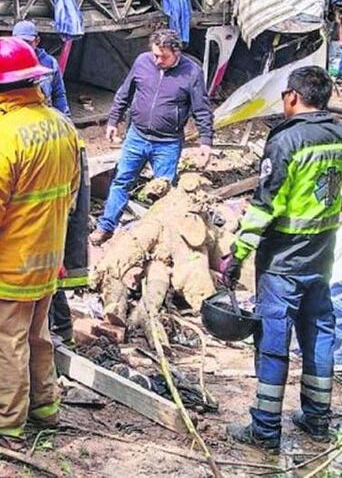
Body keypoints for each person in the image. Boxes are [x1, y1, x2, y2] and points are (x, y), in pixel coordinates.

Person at [0, 36, 81, 451]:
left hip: (7, 266)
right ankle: (45, 408)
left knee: (4, 344)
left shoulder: (3, 136)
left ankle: (5, 423)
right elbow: (72, 194)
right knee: (39, 338)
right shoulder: (61, 125)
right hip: (46, 261)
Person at [223, 66, 342, 450]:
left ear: (292, 97)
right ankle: (317, 418)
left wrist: (238, 254)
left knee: (273, 341)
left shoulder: (286, 141)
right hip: (322, 255)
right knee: (318, 335)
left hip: (284, 259)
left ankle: (264, 429)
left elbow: (266, 205)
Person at [90, 29, 214, 246]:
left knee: (164, 191)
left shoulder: (192, 72)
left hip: (167, 143)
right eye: (155, 55)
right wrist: (113, 120)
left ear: (177, 52)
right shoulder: (143, 62)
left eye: (163, 57)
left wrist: (206, 141)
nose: (158, 60)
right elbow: (124, 93)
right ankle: (105, 227)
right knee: (121, 182)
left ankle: (161, 238)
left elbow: (202, 108)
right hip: (136, 136)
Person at [11, 20, 90, 344]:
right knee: (48, 265)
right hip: (48, 211)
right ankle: (55, 328)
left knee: (47, 266)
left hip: (43, 214)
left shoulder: (48, 67)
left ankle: (56, 327)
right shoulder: (23, 135)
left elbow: (61, 102)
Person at [11, 20, 70, 116]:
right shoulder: (7, 63)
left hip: (44, 115)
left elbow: (58, 94)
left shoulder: (50, 63)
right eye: (19, 43)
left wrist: (65, 117)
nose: (24, 47)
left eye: (28, 43)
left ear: (37, 41)